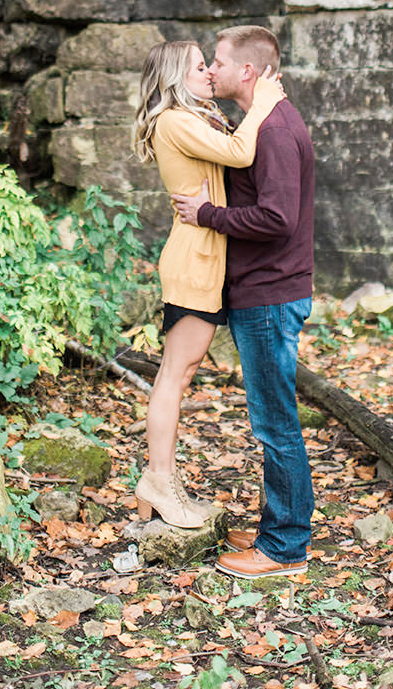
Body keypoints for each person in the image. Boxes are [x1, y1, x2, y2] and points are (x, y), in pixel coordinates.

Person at [171, 25, 315, 577]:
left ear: (247, 72)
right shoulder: (262, 124)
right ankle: (280, 528)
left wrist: (207, 216)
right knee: (273, 421)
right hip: (264, 290)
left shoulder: (275, 130)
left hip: (270, 294)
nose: (211, 69)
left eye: (218, 62)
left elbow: (278, 218)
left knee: (275, 424)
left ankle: (283, 548)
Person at [132, 39, 284, 528]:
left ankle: (164, 485)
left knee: (182, 373)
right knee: (174, 377)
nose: (208, 73)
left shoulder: (191, 118)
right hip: (193, 260)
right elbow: (241, 154)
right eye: (201, 67)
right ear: (179, 76)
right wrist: (263, 103)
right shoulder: (175, 121)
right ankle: (158, 480)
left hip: (204, 258)